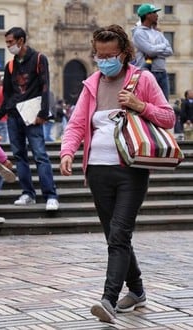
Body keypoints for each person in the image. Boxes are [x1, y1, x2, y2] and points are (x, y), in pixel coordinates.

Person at [59, 24, 174, 324]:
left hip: (131, 170)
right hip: (97, 170)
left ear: (124, 54)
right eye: (99, 55)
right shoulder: (91, 84)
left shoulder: (144, 79)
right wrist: (68, 152)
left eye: (110, 55)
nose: (104, 60)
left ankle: (108, 300)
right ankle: (136, 291)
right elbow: (76, 124)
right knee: (115, 236)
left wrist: (140, 105)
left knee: (119, 235)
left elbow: (168, 116)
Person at [0, 27, 59, 211]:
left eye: (10, 42)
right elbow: (7, 97)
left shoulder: (38, 59)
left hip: (32, 116)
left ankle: (50, 195)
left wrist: (43, 113)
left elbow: (45, 86)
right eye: (7, 43)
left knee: (40, 155)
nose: (8, 46)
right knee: (20, 156)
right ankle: (28, 193)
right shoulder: (10, 65)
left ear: (21, 40)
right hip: (14, 116)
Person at [131, 3, 173, 101]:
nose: (157, 15)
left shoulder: (158, 33)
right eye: (154, 12)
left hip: (162, 72)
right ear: (147, 15)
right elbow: (150, 51)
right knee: (148, 102)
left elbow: (170, 51)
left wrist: (154, 50)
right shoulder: (138, 33)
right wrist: (163, 46)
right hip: (147, 71)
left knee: (164, 103)